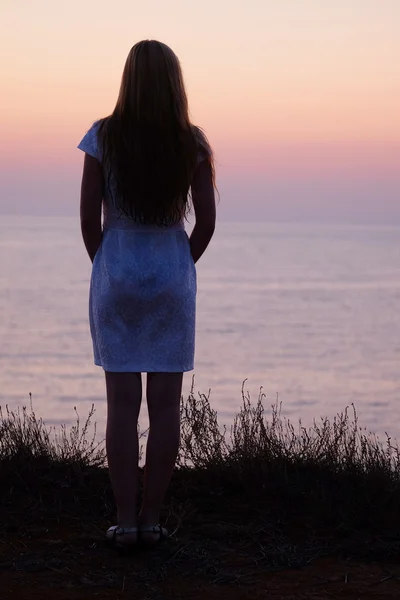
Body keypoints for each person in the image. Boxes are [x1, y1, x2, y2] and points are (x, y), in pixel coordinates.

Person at [77, 40, 216, 551]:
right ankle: (153, 519)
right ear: (174, 82)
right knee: (165, 405)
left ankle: (124, 522)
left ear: (128, 79)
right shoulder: (191, 142)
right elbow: (206, 223)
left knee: (121, 406)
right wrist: (178, 265)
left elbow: (89, 222)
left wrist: (110, 266)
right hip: (170, 274)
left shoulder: (103, 137)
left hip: (117, 270)